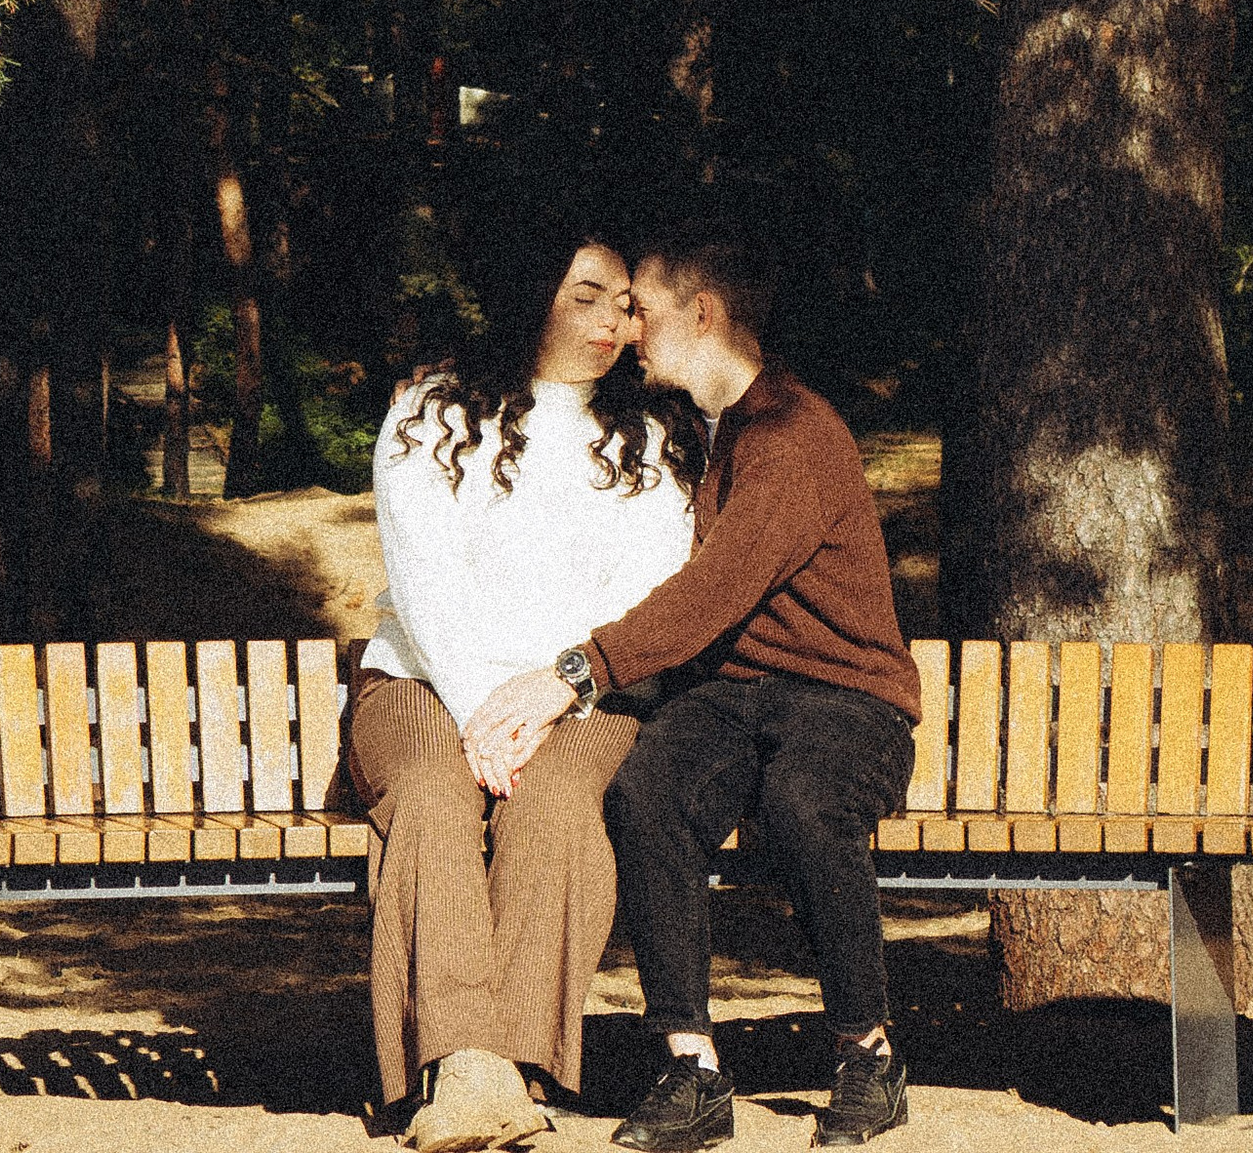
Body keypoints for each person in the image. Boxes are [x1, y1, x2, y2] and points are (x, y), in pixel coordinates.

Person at [461, 229, 920, 1153]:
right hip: (735, 696)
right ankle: (690, 1066)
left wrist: (574, 673)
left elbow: (715, 590)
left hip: (847, 698)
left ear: (703, 314)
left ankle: (867, 1054)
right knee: (646, 795)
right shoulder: (709, 431)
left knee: (804, 803)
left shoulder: (795, 431)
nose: (632, 332)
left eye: (648, 312)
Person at [350, 222, 700, 1153]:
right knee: (428, 797)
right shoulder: (431, 412)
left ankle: (501, 1069)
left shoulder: (654, 435)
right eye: (585, 295)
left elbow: (652, 593)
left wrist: (552, 694)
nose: (610, 321)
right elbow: (426, 583)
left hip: (582, 697)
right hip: (424, 682)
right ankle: (468, 1067)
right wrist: (482, 717)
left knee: (554, 811)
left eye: (626, 306)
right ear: (526, 295)